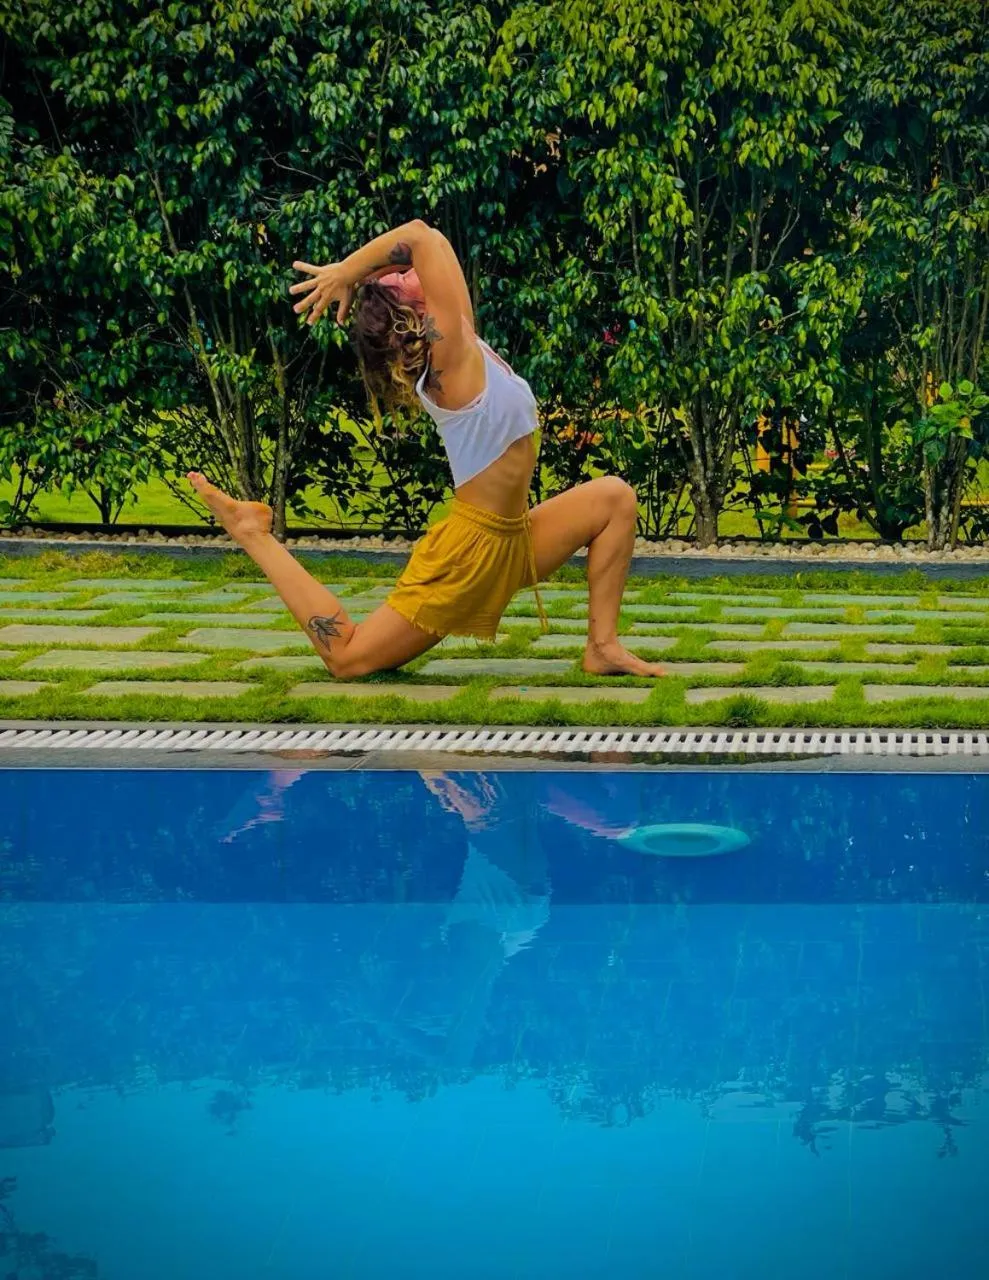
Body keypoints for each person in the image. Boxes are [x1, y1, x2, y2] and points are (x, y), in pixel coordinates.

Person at [186, 218, 664, 678]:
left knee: (614, 498)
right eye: (404, 277)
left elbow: (427, 245)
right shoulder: (450, 358)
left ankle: (603, 647)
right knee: (347, 657)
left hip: (514, 540)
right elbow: (419, 236)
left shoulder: (459, 340)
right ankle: (252, 532)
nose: (412, 272)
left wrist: (364, 277)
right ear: (410, 315)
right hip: (470, 554)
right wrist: (349, 270)